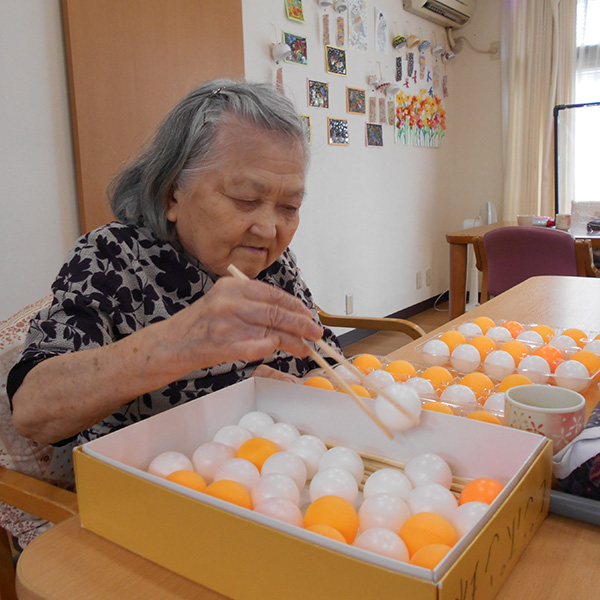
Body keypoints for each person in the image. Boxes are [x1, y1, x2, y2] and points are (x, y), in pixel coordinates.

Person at [8, 79, 340, 453]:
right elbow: (33, 410)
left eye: (289, 207)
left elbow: (325, 357)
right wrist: (178, 342)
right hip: (158, 490)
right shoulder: (114, 257)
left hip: (278, 475)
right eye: (246, 198)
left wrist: (308, 389)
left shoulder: (272, 263)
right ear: (172, 194)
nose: (268, 229)